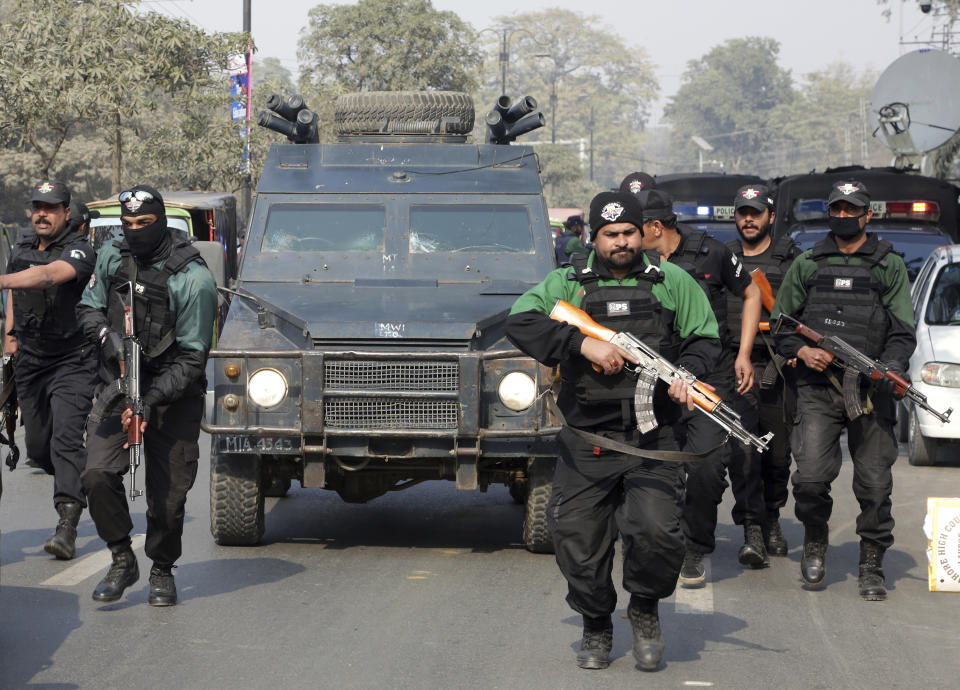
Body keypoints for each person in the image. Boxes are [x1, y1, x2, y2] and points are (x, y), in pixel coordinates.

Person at [506, 191, 721, 671]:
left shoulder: (672, 281)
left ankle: (644, 609)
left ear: (643, 232)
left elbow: (705, 336)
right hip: (588, 441)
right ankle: (596, 622)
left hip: (653, 440)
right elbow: (520, 320)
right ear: (593, 238)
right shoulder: (567, 283)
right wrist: (581, 344)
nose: (621, 242)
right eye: (610, 235)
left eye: (628, 233)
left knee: (657, 533)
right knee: (575, 538)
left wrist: (686, 371)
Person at [772, 180, 915, 601]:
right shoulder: (809, 264)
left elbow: (903, 332)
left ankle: (871, 561)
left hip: (870, 391)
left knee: (873, 484)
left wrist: (887, 368)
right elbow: (781, 323)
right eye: (837, 209)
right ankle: (816, 538)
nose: (844, 216)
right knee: (811, 479)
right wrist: (802, 349)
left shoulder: (887, 265)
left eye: (852, 210)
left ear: (867, 216)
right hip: (817, 388)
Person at [78, 185, 217, 607]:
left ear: (162, 223)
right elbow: (88, 308)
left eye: (144, 224)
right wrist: (108, 339)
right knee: (96, 474)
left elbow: (194, 357)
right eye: (128, 224)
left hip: (172, 396)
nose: (135, 231)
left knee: (169, 496)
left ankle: (161, 568)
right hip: (117, 384)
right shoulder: (111, 257)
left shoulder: (193, 278)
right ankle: (122, 556)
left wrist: (148, 399)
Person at [634, 188, 765, 586]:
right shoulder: (632, 262)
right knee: (653, 466)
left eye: (635, 229)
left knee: (708, 466)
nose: (625, 238)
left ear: (655, 227)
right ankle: (656, 539)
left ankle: (696, 548)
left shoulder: (713, 252)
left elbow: (752, 292)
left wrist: (744, 353)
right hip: (655, 381)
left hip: (710, 375)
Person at [2, 180, 98, 560]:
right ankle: (76, 475)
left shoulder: (79, 248)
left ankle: (67, 524)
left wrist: (1, 281)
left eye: (51, 208)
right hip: (31, 359)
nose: (42, 214)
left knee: (66, 441)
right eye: (38, 207)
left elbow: (46, 277)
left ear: (66, 213)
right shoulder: (23, 246)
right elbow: (16, 292)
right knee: (39, 449)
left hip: (72, 360)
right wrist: (10, 336)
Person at [725, 184, 801, 556]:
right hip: (733, 365)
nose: (749, 219)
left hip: (776, 366)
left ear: (771, 216)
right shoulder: (722, 259)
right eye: (742, 212)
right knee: (743, 452)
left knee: (775, 453)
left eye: (756, 212)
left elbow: (804, 313)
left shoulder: (791, 259)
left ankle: (771, 517)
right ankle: (752, 527)